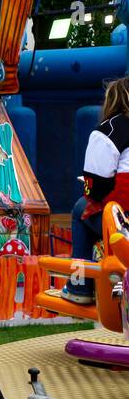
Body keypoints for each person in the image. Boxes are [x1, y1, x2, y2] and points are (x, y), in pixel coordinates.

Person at [60, 76, 129, 305]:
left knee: (81, 207)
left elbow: (95, 188)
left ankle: (79, 286)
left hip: (124, 224)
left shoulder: (109, 130)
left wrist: (91, 190)